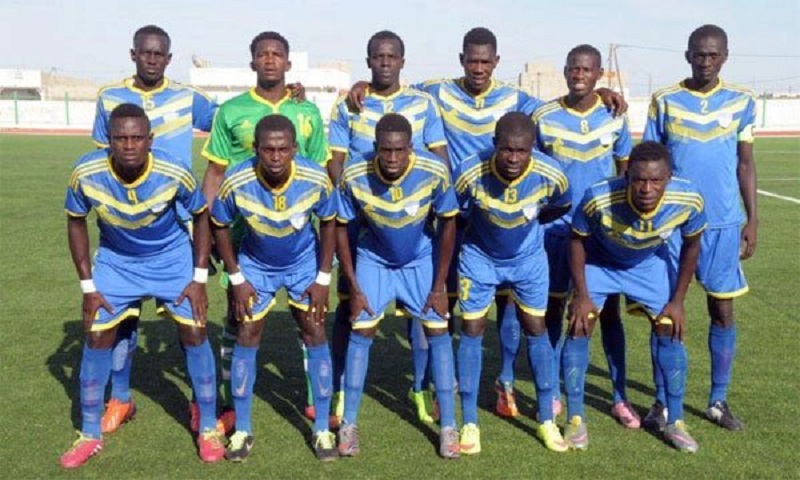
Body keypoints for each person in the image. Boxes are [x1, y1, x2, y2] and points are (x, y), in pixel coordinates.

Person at [349, 27, 628, 418]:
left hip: (504, 217)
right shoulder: (440, 91)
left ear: (496, 62)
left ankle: (504, 381)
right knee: (440, 301)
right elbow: (396, 86)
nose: (478, 68)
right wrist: (364, 84)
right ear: (461, 60)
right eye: (472, 60)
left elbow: (563, 104)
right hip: (456, 216)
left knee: (508, 305)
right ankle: (430, 384)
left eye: (485, 61)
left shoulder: (516, 98)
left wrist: (599, 93)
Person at [60, 104, 223, 469]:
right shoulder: (86, 172)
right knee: (97, 335)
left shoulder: (173, 170)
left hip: (170, 258)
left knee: (195, 331)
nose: (129, 145)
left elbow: (201, 216)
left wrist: (198, 279)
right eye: (121, 138)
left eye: (137, 138)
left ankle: (208, 427)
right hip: (117, 261)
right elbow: (76, 222)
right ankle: (90, 434)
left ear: (150, 140)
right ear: (108, 140)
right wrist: (88, 286)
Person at [91, 25, 219, 435]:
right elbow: (101, 158)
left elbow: (229, 122)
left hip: (178, 225)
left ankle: (200, 404)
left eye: (158, 53)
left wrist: (288, 96)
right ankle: (120, 398)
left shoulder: (187, 97)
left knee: (189, 319)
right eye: (145, 52)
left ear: (168, 57)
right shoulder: (109, 97)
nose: (151, 59)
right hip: (125, 227)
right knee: (123, 318)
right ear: (133, 55)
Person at [202, 31, 329, 427]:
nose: (270, 60)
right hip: (239, 230)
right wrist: (205, 229)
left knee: (309, 318)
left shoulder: (306, 111)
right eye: (263, 54)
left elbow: (318, 172)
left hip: (293, 233)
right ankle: (230, 403)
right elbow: (215, 172)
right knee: (237, 316)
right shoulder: (231, 111)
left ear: (288, 63)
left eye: (277, 54)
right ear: (252, 61)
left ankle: (315, 401)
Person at [327, 30, 449, 426]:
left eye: (391, 56)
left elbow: (439, 156)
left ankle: (421, 387)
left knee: (423, 312)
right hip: (362, 220)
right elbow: (336, 161)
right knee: (350, 305)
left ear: (402, 61)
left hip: (412, 218)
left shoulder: (423, 103)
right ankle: (342, 390)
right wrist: (360, 200)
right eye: (377, 56)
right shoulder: (349, 105)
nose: (384, 62)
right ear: (368, 61)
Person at [643, 24, 757, 431]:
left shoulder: (742, 100)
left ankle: (717, 400)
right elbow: (649, 160)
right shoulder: (665, 100)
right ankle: (661, 402)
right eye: (699, 54)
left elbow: (746, 163)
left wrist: (752, 219)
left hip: (723, 222)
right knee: (665, 311)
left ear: (724, 56)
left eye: (713, 55)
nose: (705, 61)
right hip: (673, 224)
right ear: (687, 55)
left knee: (722, 310)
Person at [210, 114, 338, 462]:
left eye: (283, 149)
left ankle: (322, 429)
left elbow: (329, 223)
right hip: (256, 265)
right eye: (268, 149)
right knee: (247, 332)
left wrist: (322, 278)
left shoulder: (315, 178)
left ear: (295, 149)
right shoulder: (236, 180)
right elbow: (219, 224)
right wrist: (236, 277)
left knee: (315, 331)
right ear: (256, 149)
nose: (276, 156)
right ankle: (242, 429)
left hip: (304, 264)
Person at [565, 141, 706, 453]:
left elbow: (692, 245)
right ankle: (575, 417)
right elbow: (576, 240)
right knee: (580, 324)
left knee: (670, 327)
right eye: (640, 179)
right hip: (600, 262)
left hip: (646, 263)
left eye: (656, 180)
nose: (647, 188)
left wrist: (678, 301)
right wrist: (582, 295)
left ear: (669, 178)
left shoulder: (689, 199)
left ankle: (675, 420)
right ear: (627, 175)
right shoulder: (598, 197)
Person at [335, 114, 460, 459]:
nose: (392, 158)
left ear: (411, 148)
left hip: (419, 260)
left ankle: (449, 426)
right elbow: (341, 229)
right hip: (374, 259)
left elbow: (448, 225)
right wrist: (354, 287)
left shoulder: (434, 171)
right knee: (362, 331)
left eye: (399, 150)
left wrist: (440, 285)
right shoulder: (353, 173)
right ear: (376, 147)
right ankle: (348, 424)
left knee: (438, 330)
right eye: (386, 150)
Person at [453, 112, 571, 455]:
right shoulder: (469, 171)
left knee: (535, 326)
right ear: (495, 144)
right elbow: (454, 215)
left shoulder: (551, 174)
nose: (514, 158)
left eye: (522, 151)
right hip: (479, 257)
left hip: (528, 259)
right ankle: (470, 421)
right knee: (472, 329)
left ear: (533, 148)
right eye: (507, 149)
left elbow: (560, 205)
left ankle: (547, 418)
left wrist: (527, 224)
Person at [532, 44, 635, 428]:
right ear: (565, 71)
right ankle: (552, 391)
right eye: (573, 68)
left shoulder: (614, 115)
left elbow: (626, 170)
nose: (579, 75)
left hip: (601, 232)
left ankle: (620, 396)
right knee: (553, 310)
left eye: (587, 69)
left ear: (598, 74)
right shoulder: (543, 116)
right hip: (555, 230)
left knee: (608, 313)